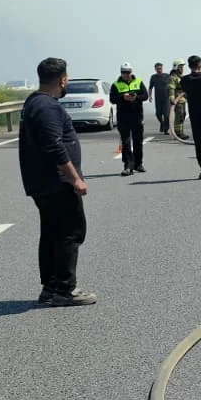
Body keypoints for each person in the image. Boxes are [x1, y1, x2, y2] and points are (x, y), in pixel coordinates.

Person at [19, 57, 96, 307]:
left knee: (52, 233)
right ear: (62, 80)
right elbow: (54, 146)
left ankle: (51, 288)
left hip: (42, 183)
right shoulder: (47, 108)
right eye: (68, 79)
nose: (68, 83)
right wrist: (75, 178)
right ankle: (64, 289)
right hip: (56, 183)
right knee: (70, 233)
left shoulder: (34, 102)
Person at [110, 62, 147, 175]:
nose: (126, 74)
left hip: (137, 116)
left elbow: (145, 96)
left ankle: (138, 164)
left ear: (131, 72)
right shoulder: (115, 84)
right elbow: (112, 99)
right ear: (121, 72)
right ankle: (128, 166)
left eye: (128, 72)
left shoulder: (139, 82)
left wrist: (136, 97)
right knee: (126, 142)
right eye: (123, 72)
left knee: (138, 141)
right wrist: (123, 97)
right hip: (123, 117)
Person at [148, 62, 172, 134]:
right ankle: (162, 123)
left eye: (160, 68)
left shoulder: (167, 76)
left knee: (166, 114)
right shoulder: (153, 77)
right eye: (158, 69)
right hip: (158, 99)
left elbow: (172, 86)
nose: (159, 70)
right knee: (158, 114)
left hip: (166, 99)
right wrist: (150, 96)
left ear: (162, 68)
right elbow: (150, 87)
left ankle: (166, 129)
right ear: (155, 69)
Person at [167, 58, 187, 139]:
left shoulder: (180, 77)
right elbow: (171, 88)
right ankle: (178, 133)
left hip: (182, 99)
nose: (182, 69)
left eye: (182, 67)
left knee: (182, 115)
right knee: (179, 116)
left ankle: (181, 132)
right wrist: (172, 99)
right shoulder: (173, 77)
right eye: (180, 67)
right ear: (176, 67)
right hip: (177, 100)